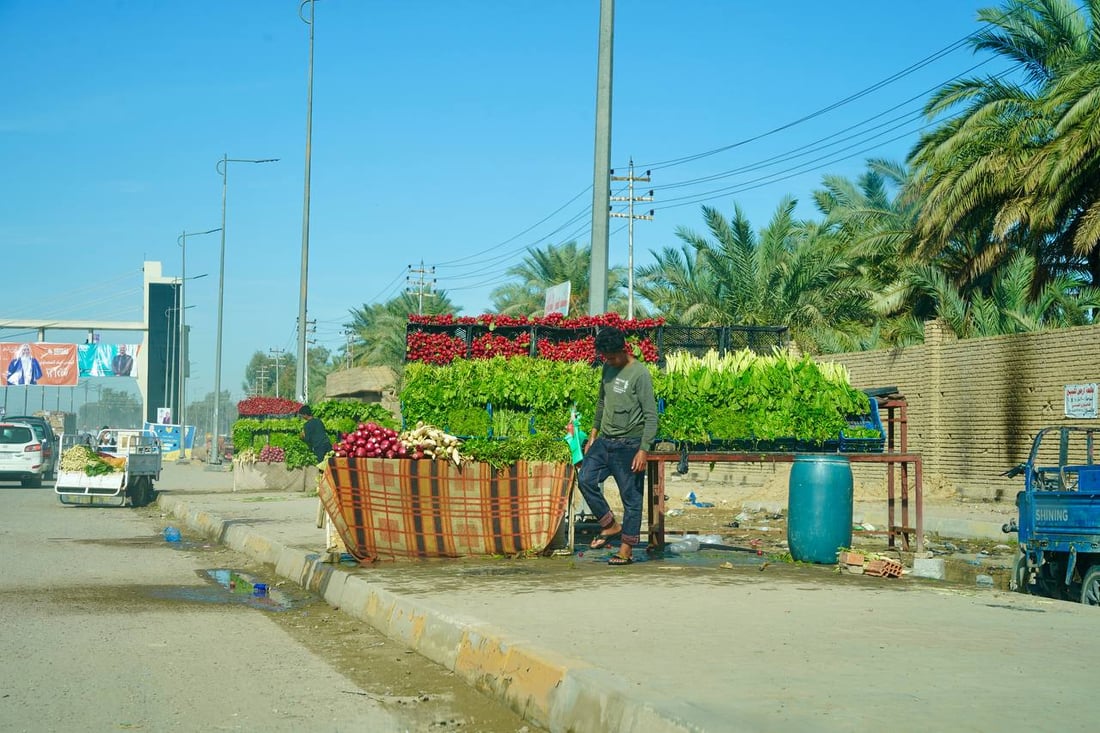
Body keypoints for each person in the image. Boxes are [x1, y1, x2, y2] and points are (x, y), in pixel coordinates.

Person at [578, 327, 658, 566]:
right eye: (606, 358)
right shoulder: (607, 367)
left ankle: (626, 550)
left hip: (630, 444)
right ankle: (610, 524)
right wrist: (593, 434)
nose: (610, 361)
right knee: (585, 479)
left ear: (623, 349)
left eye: (612, 357)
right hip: (604, 441)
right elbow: (601, 402)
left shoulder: (639, 373)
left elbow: (651, 415)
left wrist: (643, 449)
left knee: (631, 499)